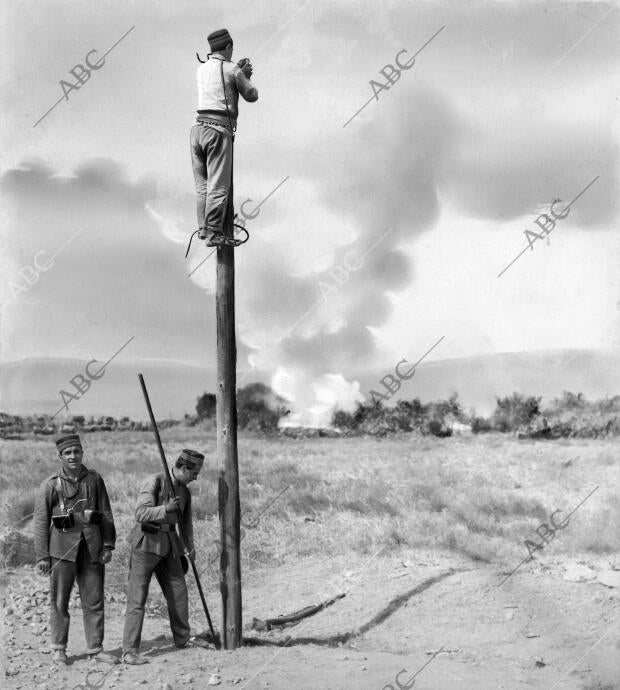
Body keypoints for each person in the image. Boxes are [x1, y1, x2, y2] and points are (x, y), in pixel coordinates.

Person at [33, 434, 117, 665]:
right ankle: (59, 648)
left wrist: (108, 544)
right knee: (60, 601)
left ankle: (95, 649)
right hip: (61, 551)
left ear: (82, 453)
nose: (73, 456)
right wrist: (42, 556)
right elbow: (40, 522)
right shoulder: (50, 485)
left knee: (94, 600)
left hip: (92, 548)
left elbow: (106, 513)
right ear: (59, 456)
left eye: (76, 452)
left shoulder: (94, 480)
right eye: (68, 453)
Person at [121, 449, 209, 665]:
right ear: (184, 468)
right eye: (194, 473)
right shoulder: (155, 482)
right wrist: (165, 508)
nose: (195, 478)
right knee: (137, 598)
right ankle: (129, 651)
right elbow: (140, 514)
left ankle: (182, 638)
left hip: (170, 547)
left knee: (179, 592)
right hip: (145, 545)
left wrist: (190, 547)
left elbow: (185, 523)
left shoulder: (185, 492)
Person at [190, 28, 258, 246]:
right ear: (228, 47)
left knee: (203, 186)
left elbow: (220, 81)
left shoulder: (201, 68)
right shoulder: (233, 69)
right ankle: (214, 234)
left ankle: (204, 229)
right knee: (219, 187)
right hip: (217, 132)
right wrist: (244, 75)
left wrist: (236, 69)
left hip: (197, 131)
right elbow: (251, 95)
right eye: (231, 49)